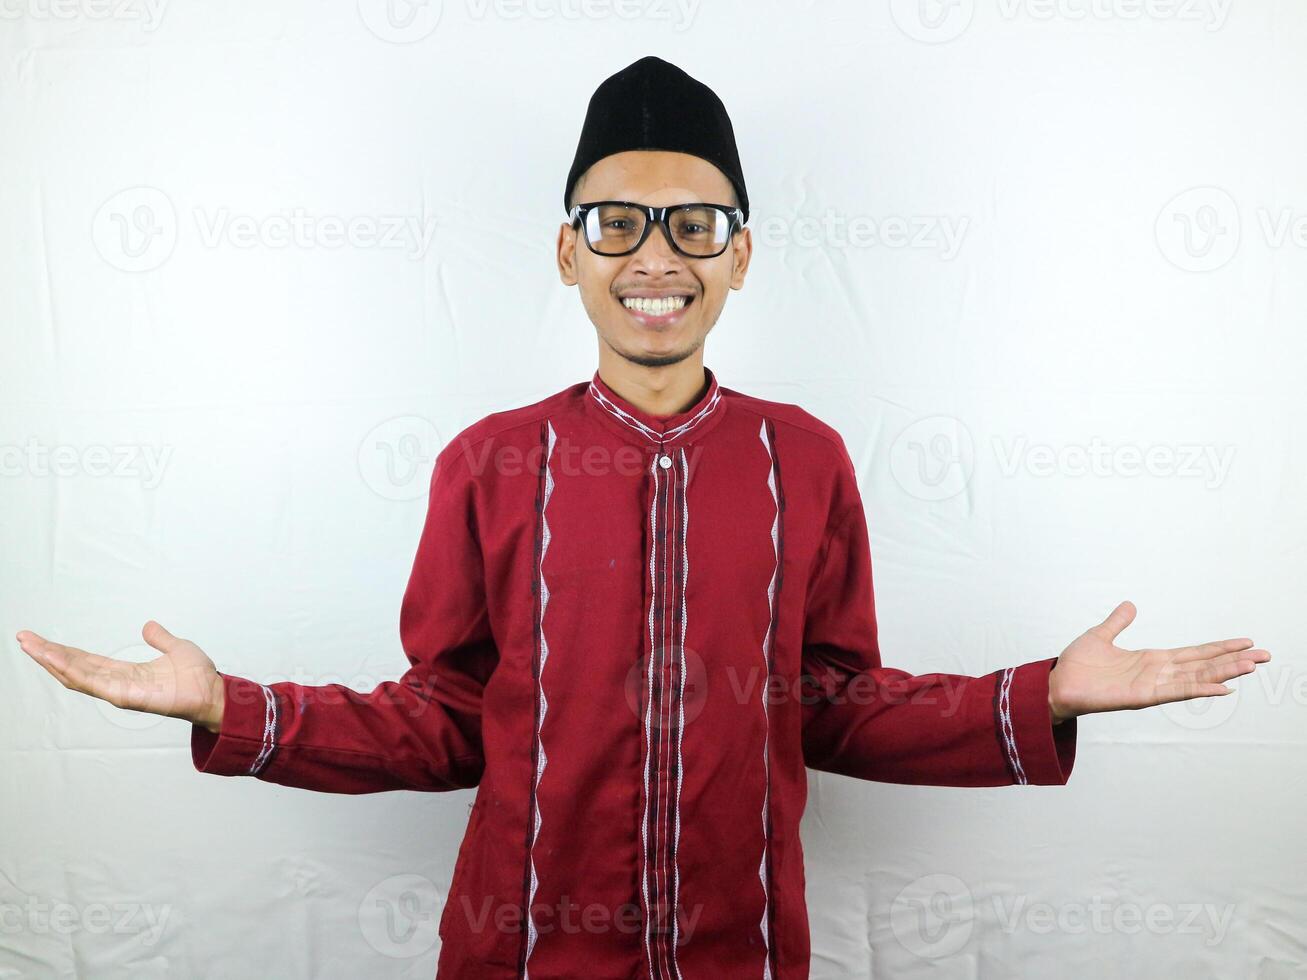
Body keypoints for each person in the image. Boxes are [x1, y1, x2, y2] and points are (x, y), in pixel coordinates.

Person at [15, 55, 1271, 980]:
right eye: (614, 222)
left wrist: (1040, 691)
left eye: (692, 223)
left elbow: (828, 699)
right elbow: (443, 718)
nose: (653, 254)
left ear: (739, 253)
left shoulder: (804, 460)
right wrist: (228, 707)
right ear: (569, 253)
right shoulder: (490, 462)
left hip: (747, 955)